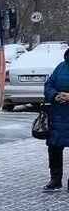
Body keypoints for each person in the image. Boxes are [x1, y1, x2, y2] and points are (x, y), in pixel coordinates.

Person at [41, 48, 69, 191]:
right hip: (58, 115)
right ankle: (55, 179)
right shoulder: (61, 67)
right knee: (54, 148)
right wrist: (55, 95)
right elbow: (48, 84)